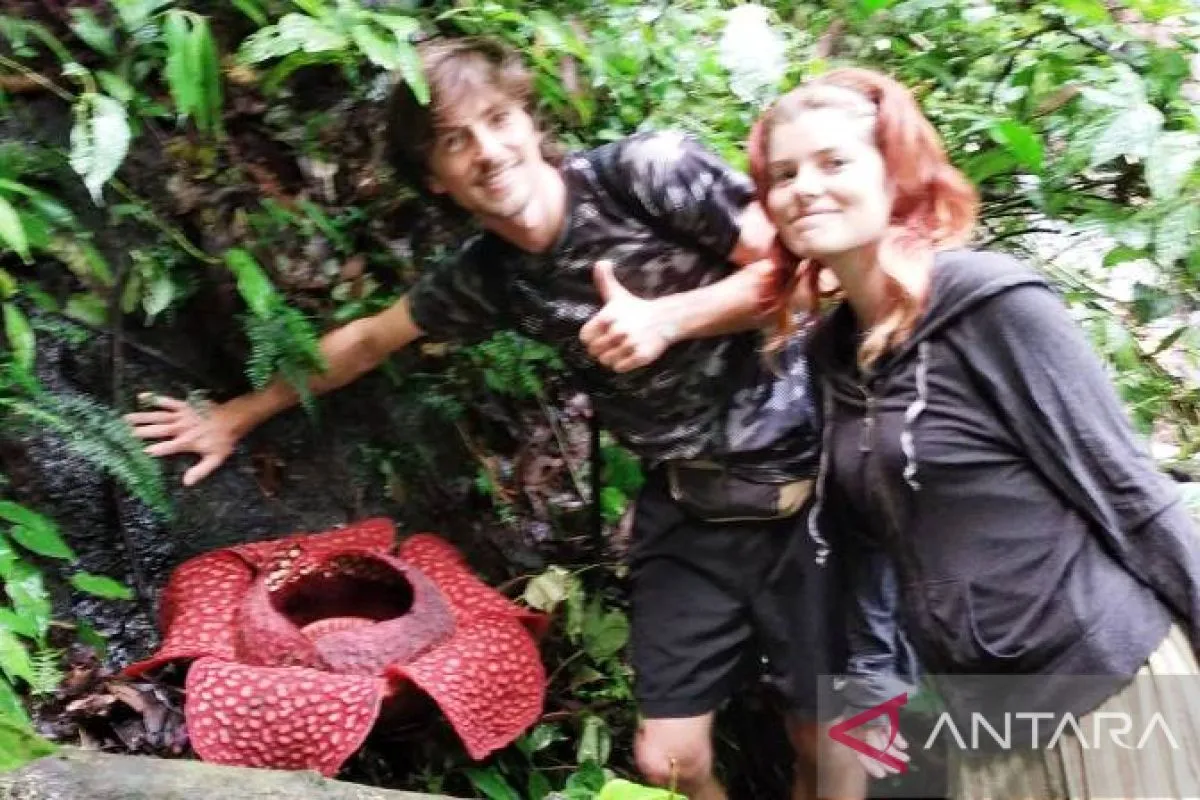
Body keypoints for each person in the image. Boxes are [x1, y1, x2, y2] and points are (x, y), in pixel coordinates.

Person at [127, 37, 867, 800]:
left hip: (809, 487)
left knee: (826, 739)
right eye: (455, 140)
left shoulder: (647, 172)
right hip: (687, 502)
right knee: (668, 763)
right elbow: (369, 340)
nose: (488, 151)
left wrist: (667, 319)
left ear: (529, 122)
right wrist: (236, 414)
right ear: (434, 178)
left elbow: (811, 275)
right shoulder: (488, 276)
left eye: (499, 120)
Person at [748, 66, 1200, 798]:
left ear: (894, 174)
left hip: (1106, 688)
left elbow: (1129, 492)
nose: (804, 187)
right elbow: (868, 552)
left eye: (834, 162)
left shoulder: (993, 304)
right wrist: (864, 695)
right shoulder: (832, 353)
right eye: (784, 173)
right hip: (987, 719)